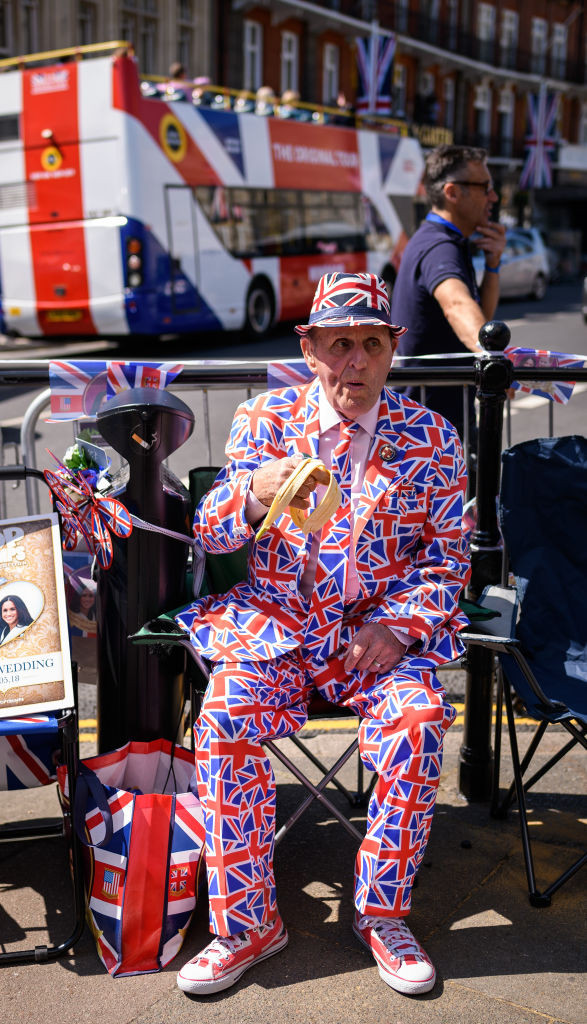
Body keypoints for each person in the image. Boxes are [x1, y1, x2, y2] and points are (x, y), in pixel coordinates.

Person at [174, 271, 470, 998]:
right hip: (274, 629)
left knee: (419, 720)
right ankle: (246, 926)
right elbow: (208, 535)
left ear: (391, 349)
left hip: (375, 639)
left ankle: (381, 913)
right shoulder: (262, 420)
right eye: (340, 344)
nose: (356, 363)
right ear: (309, 349)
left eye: (372, 344)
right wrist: (249, 497)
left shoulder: (430, 435)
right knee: (223, 720)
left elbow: (448, 555)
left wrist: (398, 627)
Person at [391, 144, 506, 452]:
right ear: (453, 192)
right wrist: (497, 362)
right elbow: (456, 304)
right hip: (426, 429)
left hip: (434, 419)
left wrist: (493, 263)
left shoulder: (447, 240)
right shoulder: (439, 245)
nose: (493, 197)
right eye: (485, 187)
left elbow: (481, 316)